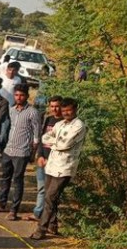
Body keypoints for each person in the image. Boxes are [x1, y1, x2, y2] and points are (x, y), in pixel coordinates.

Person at [30, 98, 87, 240]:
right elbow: (45, 138)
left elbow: (65, 144)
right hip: (51, 166)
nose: (66, 113)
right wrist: (57, 142)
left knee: (49, 197)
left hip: (65, 168)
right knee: (52, 198)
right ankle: (53, 225)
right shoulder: (60, 124)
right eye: (64, 110)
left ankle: (41, 229)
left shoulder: (79, 126)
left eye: (69, 110)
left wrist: (55, 142)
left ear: (75, 110)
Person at [0, 84, 41, 220]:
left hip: (22, 152)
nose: (19, 97)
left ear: (27, 96)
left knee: (17, 181)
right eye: (17, 95)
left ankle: (14, 210)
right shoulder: (11, 110)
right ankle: (1, 203)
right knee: (5, 178)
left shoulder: (32, 112)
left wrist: (33, 152)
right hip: (9, 150)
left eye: (22, 95)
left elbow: (36, 135)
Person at [26, 95, 63, 222]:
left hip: (55, 163)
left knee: (52, 193)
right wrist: (40, 155)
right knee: (41, 188)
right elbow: (42, 139)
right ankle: (38, 213)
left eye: (57, 106)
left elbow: (61, 145)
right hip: (43, 160)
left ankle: (51, 220)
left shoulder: (65, 122)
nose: (55, 109)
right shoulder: (48, 120)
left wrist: (51, 159)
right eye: (52, 106)